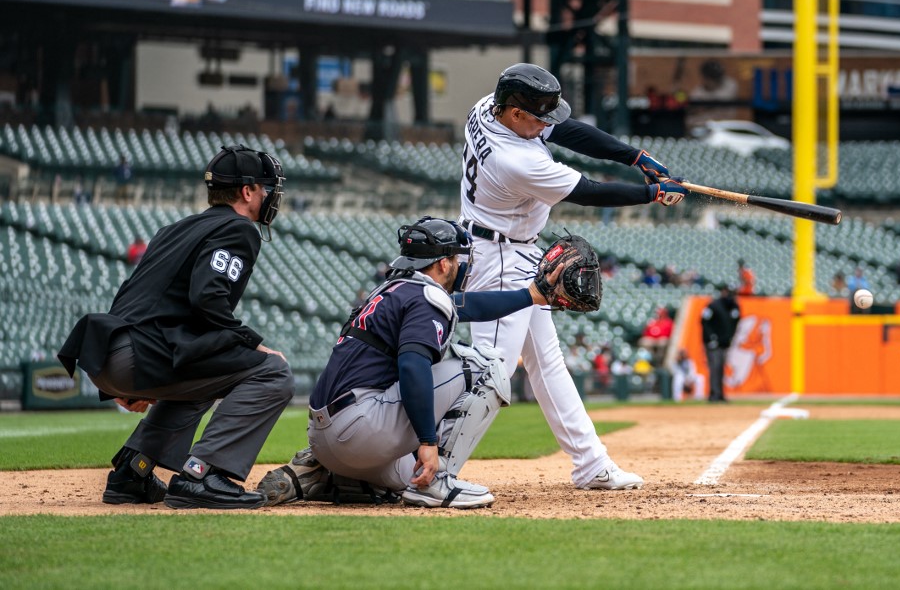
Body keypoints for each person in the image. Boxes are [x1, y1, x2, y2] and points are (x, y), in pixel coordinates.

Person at [457, 62, 690, 490]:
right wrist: (653, 192)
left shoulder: (488, 106)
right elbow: (590, 192)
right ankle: (437, 470)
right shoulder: (516, 160)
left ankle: (590, 463)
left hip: (512, 248)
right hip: (499, 257)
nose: (547, 123)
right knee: (492, 370)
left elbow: (568, 132)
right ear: (514, 114)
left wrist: (635, 157)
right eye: (539, 117)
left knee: (548, 363)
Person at [258, 217, 567, 509]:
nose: (460, 266)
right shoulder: (427, 296)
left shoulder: (394, 290)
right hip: (360, 429)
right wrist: (428, 442)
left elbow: (470, 306)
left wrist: (532, 295)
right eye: (456, 259)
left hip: (326, 437)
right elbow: (411, 367)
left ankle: (324, 475)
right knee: (486, 366)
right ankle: (438, 482)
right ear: (443, 262)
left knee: (407, 478)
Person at [57, 144, 291, 510]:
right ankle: (202, 474)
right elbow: (207, 298)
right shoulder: (239, 229)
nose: (269, 196)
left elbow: (130, 296)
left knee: (205, 377)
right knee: (274, 372)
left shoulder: (176, 228)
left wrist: (122, 367)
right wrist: (254, 342)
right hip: (138, 353)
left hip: (112, 349)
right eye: (264, 189)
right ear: (247, 192)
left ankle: (133, 472)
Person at [702, 284, 740, 402]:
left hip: (724, 343)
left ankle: (720, 394)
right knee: (715, 367)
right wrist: (711, 338)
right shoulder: (713, 306)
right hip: (713, 343)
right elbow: (704, 321)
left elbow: (736, 322)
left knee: (721, 368)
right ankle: (714, 394)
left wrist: (729, 338)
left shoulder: (733, 307)